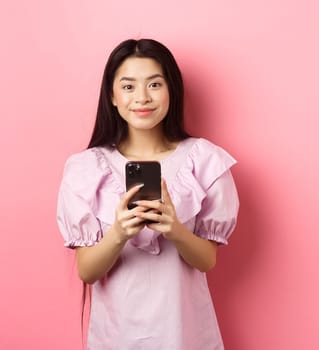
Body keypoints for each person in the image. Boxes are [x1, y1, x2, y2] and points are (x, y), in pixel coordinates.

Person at [56, 38, 239, 349]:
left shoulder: (204, 160)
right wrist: (119, 233)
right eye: (128, 87)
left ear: (171, 90)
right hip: (116, 336)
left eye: (154, 84)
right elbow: (87, 272)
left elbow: (206, 260)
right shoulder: (86, 169)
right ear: (112, 96)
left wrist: (176, 230)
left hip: (184, 333)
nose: (142, 97)